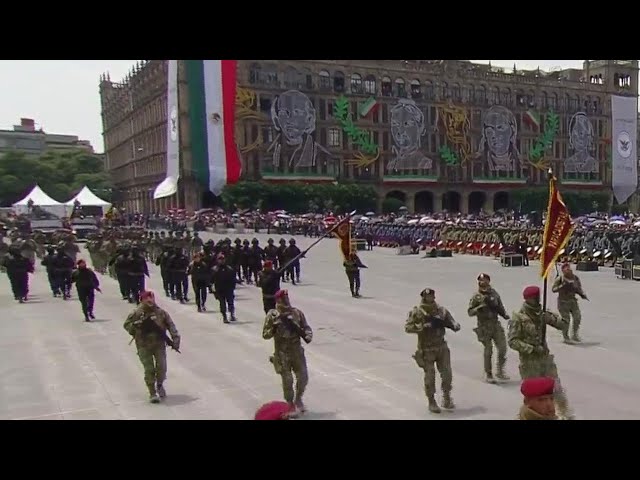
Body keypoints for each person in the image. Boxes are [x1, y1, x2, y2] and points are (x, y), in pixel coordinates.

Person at [507, 285, 574, 420]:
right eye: (534, 298)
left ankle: (565, 414)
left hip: (545, 360)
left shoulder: (541, 314)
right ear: (527, 299)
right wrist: (531, 348)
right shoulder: (518, 317)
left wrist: (556, 315)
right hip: (529, 363)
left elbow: (562, 325)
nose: (537, 300)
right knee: (534, 395)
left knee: (556, 388)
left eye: (538, 297)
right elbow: (512, 341)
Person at [405, 288, 461, 414]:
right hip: (427, 349)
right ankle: (431, 401)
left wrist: (455, 325)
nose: (429, 298)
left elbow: (450, 321)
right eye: (427, 297)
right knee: (430, 377)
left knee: (447, 374)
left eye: (431, 296)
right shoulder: (417, 312)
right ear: (423, 298)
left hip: (441, 347)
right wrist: (422, 327)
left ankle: (446, 397)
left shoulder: (441, 311)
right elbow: (408, 327)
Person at [123, 290, 181, 403]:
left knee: (162, 367)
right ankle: (152, 392)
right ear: (142, 300)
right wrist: (136, 327)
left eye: (152, 298)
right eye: (147, 298)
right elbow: (126, 325)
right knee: (149, 369)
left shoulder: (161, 313)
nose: (150, 300)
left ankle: (159, 384)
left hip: (159, 344)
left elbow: (171, 325)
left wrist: (175, 339)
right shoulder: (136, 313)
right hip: (143, 345)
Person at [262, 289, 312, 415]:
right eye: (282, 299)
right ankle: (289, 403)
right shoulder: (272, 315)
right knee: (287, 380)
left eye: (286, 298)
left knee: (303, 377)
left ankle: (298, 398)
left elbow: (306, 328)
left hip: (296, 351)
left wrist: (308, 335)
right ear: (277, 300)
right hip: (282, 353)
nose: (285, 301)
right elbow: (265, 334)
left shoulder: (297, 313)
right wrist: (274, 328)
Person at [467, 273, 510, 384]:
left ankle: (500, 370)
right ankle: (489, 373)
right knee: (488, 350)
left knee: (502, 347)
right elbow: (470, 312)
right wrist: (478, 309)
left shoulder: (494, 293)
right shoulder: (476, 296)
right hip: (484, 326)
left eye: (485, 280)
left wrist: (504, 315)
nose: (483, 282)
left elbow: (500, 306)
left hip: (495, 324)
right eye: (481, 280)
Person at [552, 263, 588, 343]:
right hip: (563, 302)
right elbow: (553, 289)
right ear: (563, 271)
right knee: (566, 320)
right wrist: (562, 286)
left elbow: (578, 288)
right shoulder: (560, 279)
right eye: (567, 270)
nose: (569, 271)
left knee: (577, 317)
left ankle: (575, 334)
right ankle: (565, 336)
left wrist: (582, 294)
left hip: (573, 301)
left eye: (570, 269)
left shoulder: (575, 278)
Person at [211, 254, 237, 323]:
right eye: (220, 259)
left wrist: (233, 287)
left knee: (230, 303)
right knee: (222, 304)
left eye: (223, 259)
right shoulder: (214, 269)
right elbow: (211, 281)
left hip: (228, 289)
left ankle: (232, 314)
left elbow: (233, 279)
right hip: (219, 290)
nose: (222, 260)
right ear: (217, 260)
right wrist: (213, 290)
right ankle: (224, 317)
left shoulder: (229, 269)